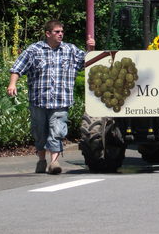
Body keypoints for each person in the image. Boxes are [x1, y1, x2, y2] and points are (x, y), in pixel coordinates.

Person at [7, 20, 94, 174]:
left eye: (62, 31)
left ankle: (54, 162)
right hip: (38, 101)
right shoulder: (34, 50)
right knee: (40, 133)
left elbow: (88, 62)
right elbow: (17, 67)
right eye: (57, 32)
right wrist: (12, 84)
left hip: (61, 100)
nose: (60, 34)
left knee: (57, 131)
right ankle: (41, 160)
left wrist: (90, 49)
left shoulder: (70, 50)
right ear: (48, 34)